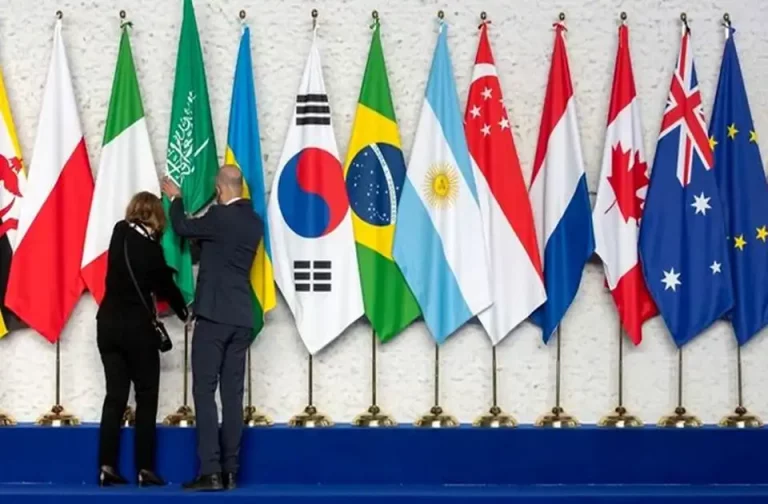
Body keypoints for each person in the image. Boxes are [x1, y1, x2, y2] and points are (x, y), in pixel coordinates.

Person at [161, 165, 262, 492]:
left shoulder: (219, 217)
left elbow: (182, 227)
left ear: (219, 189)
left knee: (204, 392)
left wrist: (176, 198)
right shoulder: (254, 221)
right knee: (233, 396)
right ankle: (231, 471)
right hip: (241, 317)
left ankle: (211, 471)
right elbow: (217, 248)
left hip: (214, 316)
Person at [96, 191, 188, 487]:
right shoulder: (152, 251)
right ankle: (144, 469)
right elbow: (165, 287)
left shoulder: (118, 233)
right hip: (137, 331)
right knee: (146, 398)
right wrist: (184, 311)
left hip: (107, 326)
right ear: (157, 218)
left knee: (114, 398)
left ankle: (106, 466)